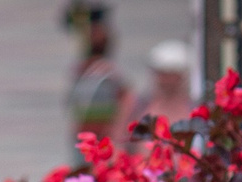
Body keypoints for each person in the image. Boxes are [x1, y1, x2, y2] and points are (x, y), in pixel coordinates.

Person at [64, 2, 128, 149]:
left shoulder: (108, 73)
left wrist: (115, 133)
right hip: (84, 139)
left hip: (102, 140)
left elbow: (125, 98)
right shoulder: (81, 71)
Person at [124, 38, 197, 136]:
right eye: (162, 73)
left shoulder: (193, 109)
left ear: (181, 75)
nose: (166, 79)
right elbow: (120, 139)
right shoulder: (139, 106)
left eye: (171, 73)